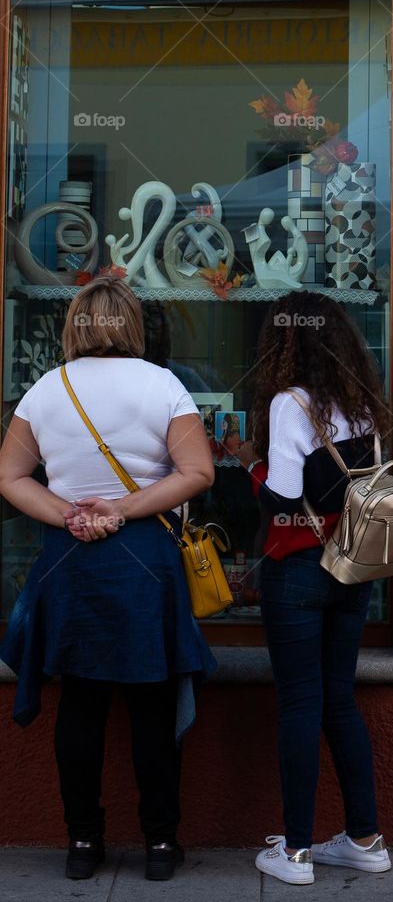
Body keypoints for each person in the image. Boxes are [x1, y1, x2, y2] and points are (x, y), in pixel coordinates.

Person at [0, 276, 216, 882]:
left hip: (69, 561)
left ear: (75, 325)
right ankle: (161, 846)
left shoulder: (45, 389)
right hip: (144, 556)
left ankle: (83, 844)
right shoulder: (163, 384)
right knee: (152, 704)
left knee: (81, 705)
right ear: (130, 325)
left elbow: (11, 477)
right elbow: (198, 472)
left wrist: (69, 514)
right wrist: (121, 509)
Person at [240, 291, 392, 887]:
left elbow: (279, 499)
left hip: (298, 571)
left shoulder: (288, 404)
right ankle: (365, 838)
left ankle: (296, 852)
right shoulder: (364, 404)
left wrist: (247, 460)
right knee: (339, 701)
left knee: (300, 703)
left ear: (284, 343)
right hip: (351, 571)